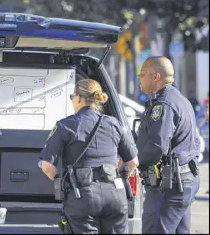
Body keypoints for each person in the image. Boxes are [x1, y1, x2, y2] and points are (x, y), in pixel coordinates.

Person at [39, 79, 139, 234]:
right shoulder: (114, 123)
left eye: (72, 96)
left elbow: (47, 166)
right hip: (115, 195)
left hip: (82, 196)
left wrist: (64, 183)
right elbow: (133, 162)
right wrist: (116, 176)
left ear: (79, 98)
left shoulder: (65, 125)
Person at [136, 56, 200, 234]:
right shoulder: (180, 100)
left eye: (142, 74)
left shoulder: (164, 105)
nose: (139, 78)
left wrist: (131, 162)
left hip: (169, 186)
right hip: (183, 182)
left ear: (155, 76)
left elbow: (156, 147)